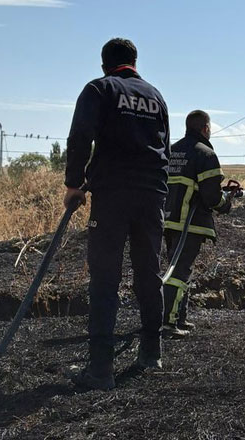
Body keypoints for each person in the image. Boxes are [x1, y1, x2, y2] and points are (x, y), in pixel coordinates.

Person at [64, 38, 170, 390]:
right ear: (135, 62)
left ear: (104, 64)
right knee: (148, 273)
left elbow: (81, 136)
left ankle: (100, 370)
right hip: (152, 195)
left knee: (105, 279)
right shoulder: (156, 97)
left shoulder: (99, 88)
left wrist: (74, 184)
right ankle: (151, 353)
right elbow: (164, 149)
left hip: (112, 195)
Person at [161, 110, 234, 339]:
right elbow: (211, 197)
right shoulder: (205, 154)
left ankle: (179, 316)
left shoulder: (172, 151)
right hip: (189, 224)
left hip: (169, 220)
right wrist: (225, 203)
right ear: (205, 128)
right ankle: (168, 322)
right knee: (178, 271)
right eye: (209, 127)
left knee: (180, 267)